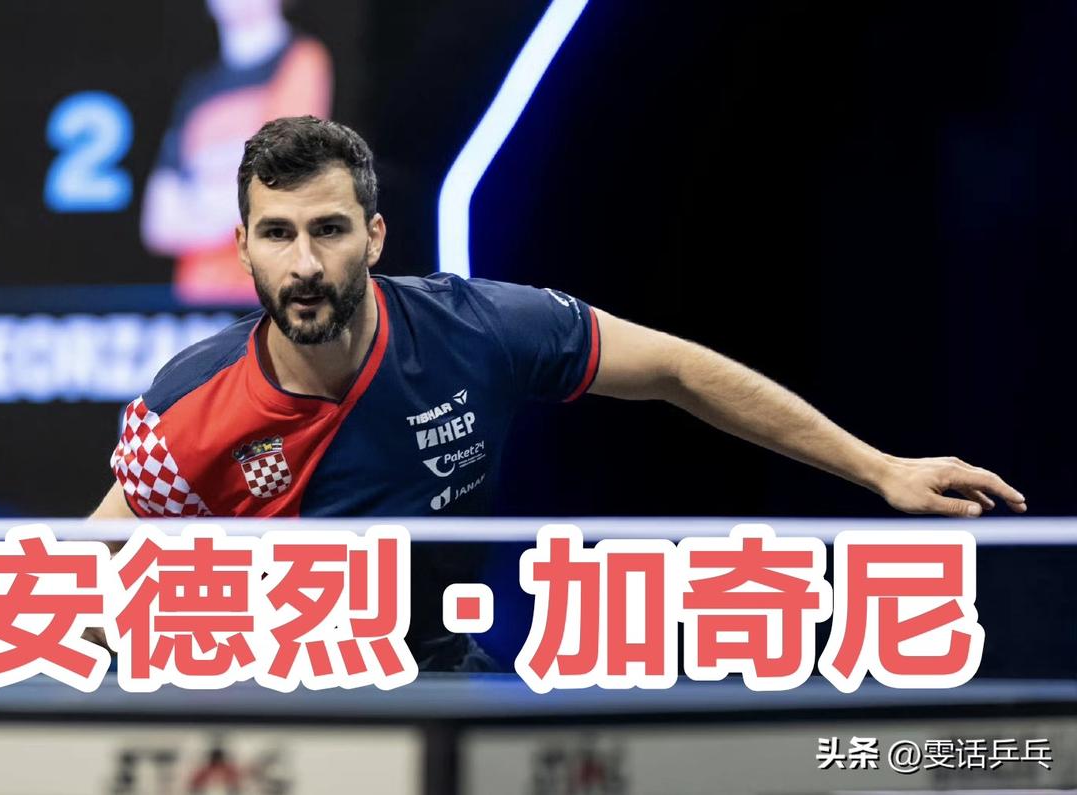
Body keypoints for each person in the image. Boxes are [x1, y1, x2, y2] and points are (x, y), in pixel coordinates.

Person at [93, 115, 1026, 671]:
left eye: (329, 230)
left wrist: (880, 468)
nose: (304, 263)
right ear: (244, 246)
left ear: (374, 236)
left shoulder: (479, 331)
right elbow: (91, 576)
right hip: (269, 690)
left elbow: (678, 367)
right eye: (277, 234)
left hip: (430, 669)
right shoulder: (188, 409)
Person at [141, 0, 332, 306]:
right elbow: (159, 222)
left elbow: (278, 190)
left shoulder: (301, 62)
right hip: (199, 304)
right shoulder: (198, 91)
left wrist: (201, 200)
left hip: (267, 300)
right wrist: (230, 196)